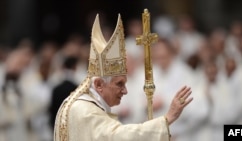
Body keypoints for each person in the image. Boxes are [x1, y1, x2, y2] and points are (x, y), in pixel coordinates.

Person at [54, 14, 193, 141]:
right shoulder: (84, 110)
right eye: (119, 84)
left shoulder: (87, 105)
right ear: (98, 85)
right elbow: (118, 136)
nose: (125, 91)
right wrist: (167, 119)